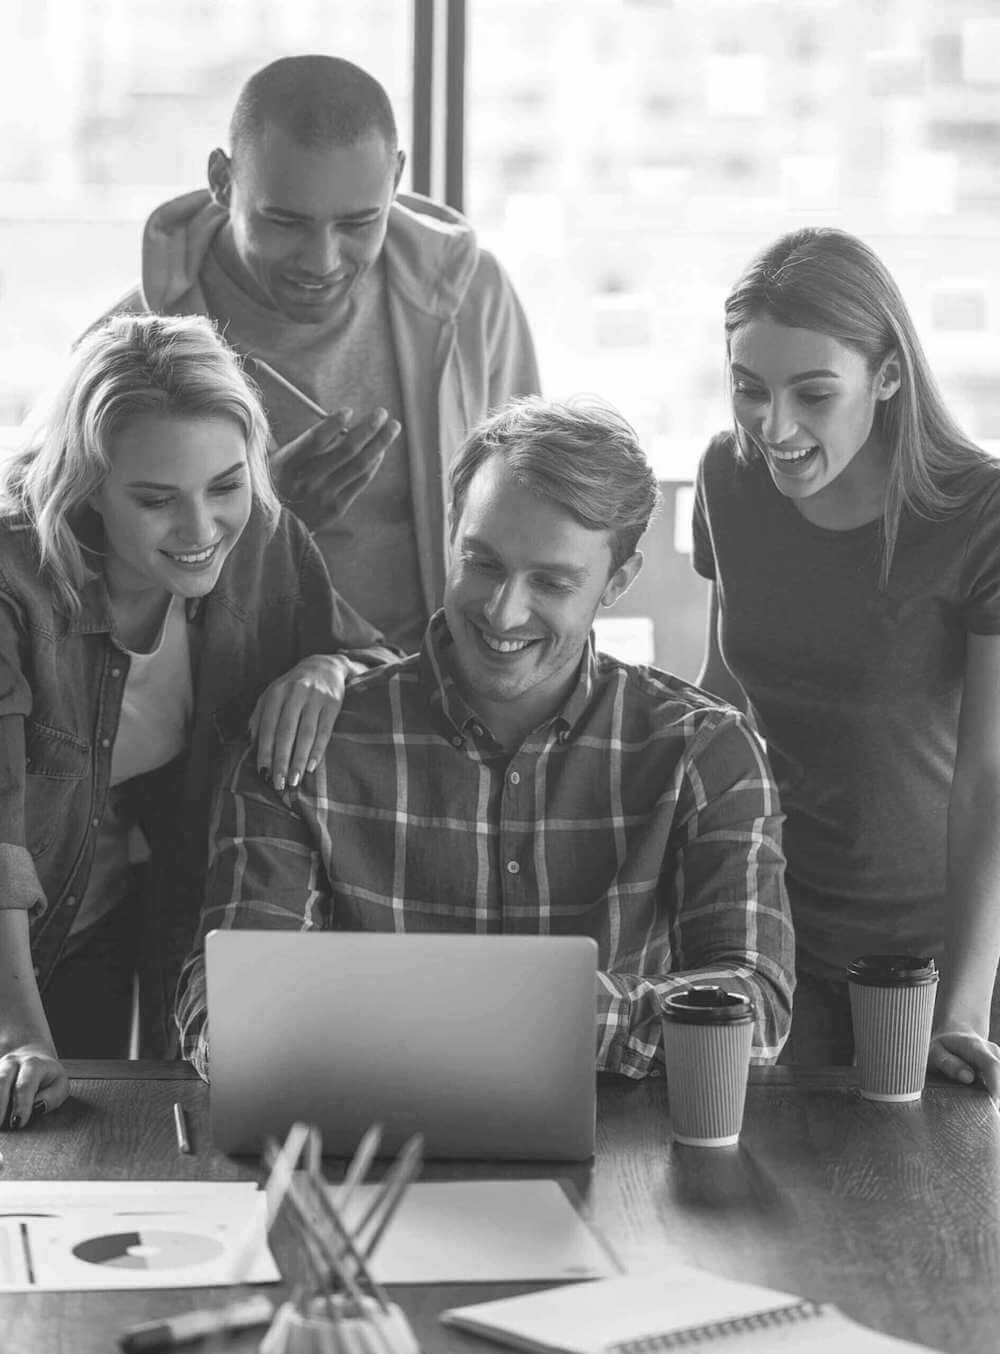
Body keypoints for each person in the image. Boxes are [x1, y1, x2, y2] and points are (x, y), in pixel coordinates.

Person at [176, 396, 795, 1081]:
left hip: (624, 1170)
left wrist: (511, 1011)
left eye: (552, 583)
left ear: (617, 583)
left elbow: (755, 1012)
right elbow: (225, 1013)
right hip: (367, 1168)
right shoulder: (305, 741)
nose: (504, 611)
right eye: (484, 564)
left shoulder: (703, 752)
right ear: (451, 535)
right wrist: (525, 1015)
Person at [0, 312, 398, 1129]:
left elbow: (382, 669)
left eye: (226, 485)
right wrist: (20, 1034)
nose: (200, 531)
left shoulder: (262, 541)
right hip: (15, 933)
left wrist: (327, 667)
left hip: (116, 911)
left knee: (106, 1144)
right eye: (155, 500)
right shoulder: (14, 585)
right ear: (87, 487)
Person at [692, 226, 1000, 1098]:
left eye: (813, 395)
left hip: (939, 962)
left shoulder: (979, 514)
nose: (772, 426)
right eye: (748, 389)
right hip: (772, 935)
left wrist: (964, 1009)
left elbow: (988, 779)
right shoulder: (730, 477)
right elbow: (723, 703)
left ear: (889, 376)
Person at [97, 53, 540, 654]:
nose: (322, 262)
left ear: (396, 177)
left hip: (440, 697)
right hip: (239, 713)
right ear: (223, 181)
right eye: (283, 223)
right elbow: (87, 590)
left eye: (359, 222)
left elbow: (538, 506)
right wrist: (267, 518)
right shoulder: (128, 347)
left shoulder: (469, 299)